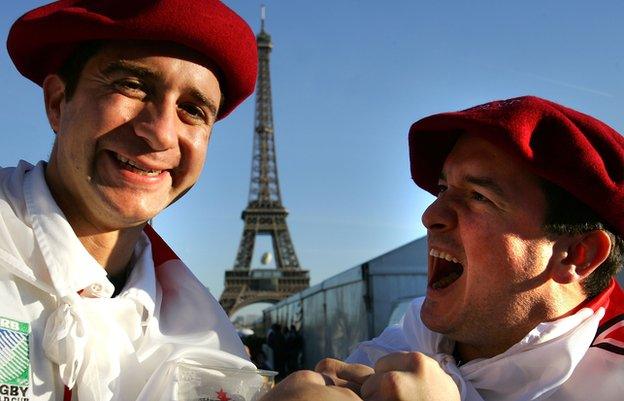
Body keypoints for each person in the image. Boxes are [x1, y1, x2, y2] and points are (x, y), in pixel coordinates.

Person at [261, 96, 624, 401]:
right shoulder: (400, 344)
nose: (430, 215)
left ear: (578, 255)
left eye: (478, 196)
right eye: (441, 190)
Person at [0, 1, 258, 400]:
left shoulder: (209, 345)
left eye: (192, 110)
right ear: (57, 103)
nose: (160, 133)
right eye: (132, 85)